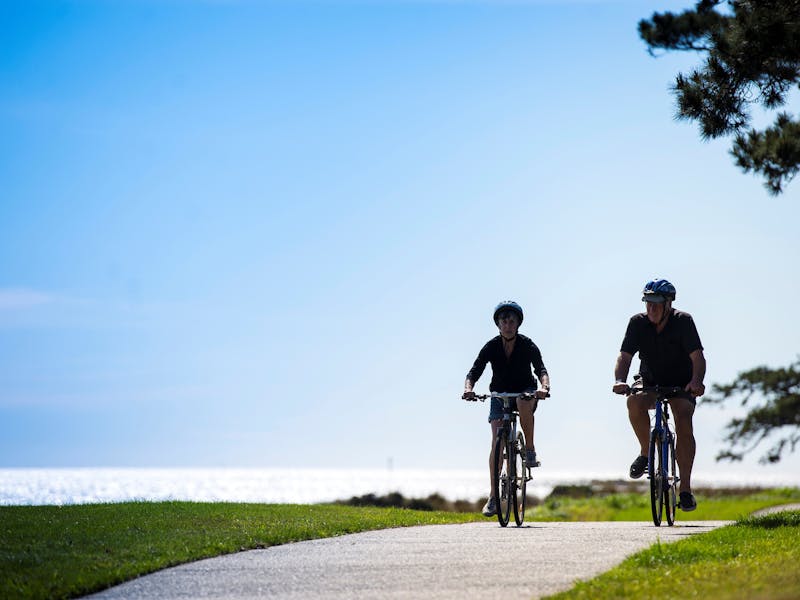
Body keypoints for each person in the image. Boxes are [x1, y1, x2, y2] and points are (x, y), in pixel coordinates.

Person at [612, 278, 706, 512]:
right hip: (650, 380)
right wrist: (620, 380)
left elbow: (698, 357)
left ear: (668, 303)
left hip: (681, 384)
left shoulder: (683, 321)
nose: (651, 308)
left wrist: (696, 381)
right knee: (633, 401)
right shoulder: (637, 323)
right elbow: (624, 356)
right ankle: (646, 452)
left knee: (683, 419)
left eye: (656, 303)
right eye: (647, 302)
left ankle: (685, 489)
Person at [463, 300, 551, 517]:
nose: (508, 325)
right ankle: (493, 496)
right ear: (498, 324)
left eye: (512, 321)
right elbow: (474, 371)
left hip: (525, 391)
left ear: (518, 323)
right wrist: (468, 389)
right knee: (496, 441)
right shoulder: (491, 346)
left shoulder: (528, 344)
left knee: (523, 402)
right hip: (499, 394)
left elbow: (541, 369)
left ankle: (529, 449)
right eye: (504, 321)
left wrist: (544, 387)